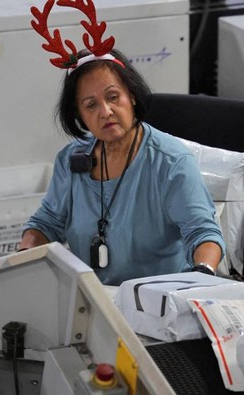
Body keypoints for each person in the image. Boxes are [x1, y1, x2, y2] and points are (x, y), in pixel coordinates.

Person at [19, 46, 225, 286]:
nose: (105, 112)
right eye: (91, 105)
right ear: (80, 115)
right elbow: (47, 224)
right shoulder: (71, 158)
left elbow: (203, 234)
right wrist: (23, 257)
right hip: (91, 299)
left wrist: (203, 273)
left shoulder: (171, 162)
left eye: (113, 97)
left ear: (132, 96)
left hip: (156, 300)